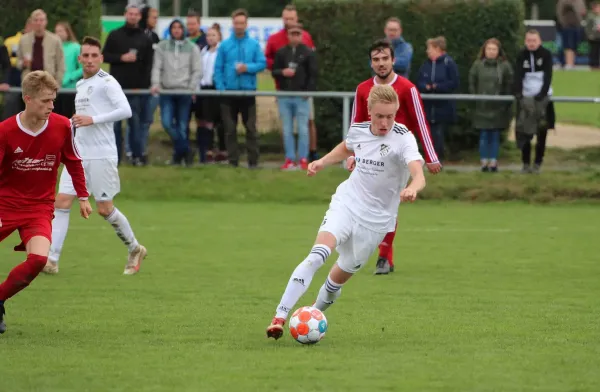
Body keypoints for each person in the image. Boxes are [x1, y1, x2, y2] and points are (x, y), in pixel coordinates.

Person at [266, 84, 426, 340]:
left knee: (335, 283)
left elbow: (418, 173)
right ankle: (280, 317)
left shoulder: (403, 137)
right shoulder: (359, 131)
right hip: (347, 204)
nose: (385, 122)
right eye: (379, 116)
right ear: (369, 112)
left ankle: (311, 314)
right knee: (316, 256)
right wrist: (322, 162)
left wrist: (413, 188)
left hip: (376, 222)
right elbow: (346, 147)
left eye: (390, 116)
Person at [0, 70, 92, 334]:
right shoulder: (5, 131)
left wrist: (83, 196)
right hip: (5, 205)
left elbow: (73, 161)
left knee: (39, 259)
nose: (51, 106)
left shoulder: (62, 126)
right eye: (45, 101)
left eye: (53, 100)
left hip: (39, 208)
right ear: (27, 99)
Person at [47, 37, 146, 276]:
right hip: (79, 155)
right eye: (85, 56)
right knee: (60, 202)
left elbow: (126, 110)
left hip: (102, 155)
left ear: (101, 58)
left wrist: (93, 119)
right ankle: (51, 259)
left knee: (104, 209)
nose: (89, 60)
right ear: (79, 59)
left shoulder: (107, 82)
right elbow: (86, 115)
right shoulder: (81, 84)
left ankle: (135, 248)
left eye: (94, 56)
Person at [349, 39, 441, 275]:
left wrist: (430, 156)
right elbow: (356, 126)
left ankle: (383, 257)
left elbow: (420, 123)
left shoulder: (407, 88)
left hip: (397, 158)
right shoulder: (362, 89)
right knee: (364, 204)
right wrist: (352, 154)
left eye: (385, 59)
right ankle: (365, 252)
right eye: (376, 59)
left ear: (393, 60)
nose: (381, 63)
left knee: (388, 206)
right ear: (371, 63)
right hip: (369, 157)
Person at [214, 8, 266, 168]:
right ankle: (233, 161)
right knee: (230, 130)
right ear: (233, 24)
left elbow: (262, 64)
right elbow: (218, 69)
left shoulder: (254, 44)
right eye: (236, 23)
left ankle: (253, 162)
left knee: (251, 129)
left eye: (242, 23)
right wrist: (221, 87)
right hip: (229, 94)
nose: (239, 26)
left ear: (246, 24)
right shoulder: (224, 45)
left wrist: (247, 68)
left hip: (248, 92)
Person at [151, 20, 202, 167]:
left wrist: (191, 87)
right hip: (166, 91)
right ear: (170, 30)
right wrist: (156, 84)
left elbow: (197, 70)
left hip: (184, 92)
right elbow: (157, 67)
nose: (177, 30)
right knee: (167, 123)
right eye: (174, 27)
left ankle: (179, 157)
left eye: (179, 27)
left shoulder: (192, 48)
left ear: (183, 30)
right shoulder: (162, 47)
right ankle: (186, 150)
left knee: (181, 126)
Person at [272, 22, 318, 171]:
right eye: (292, 33)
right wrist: (282, 72)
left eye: (298, 33)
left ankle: (303, 158)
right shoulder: (281, 52)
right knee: (287, 129)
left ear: (302, 35)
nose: (295, 36)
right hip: (284, 95)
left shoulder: (308, 52)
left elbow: (313, 74)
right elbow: (274, 72)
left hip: (301, 96)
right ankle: (289, 159)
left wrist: (308, 92)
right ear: (288, 35)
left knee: (303, 129)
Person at [468, 38, 513, 172]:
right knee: (483, 135)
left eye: (494, 49)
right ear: (484, 50)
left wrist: (504, 102)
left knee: (494, 136)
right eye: (489, 49)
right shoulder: (477, 65)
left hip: (498, 107)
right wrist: (476, 98)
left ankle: (493, 162)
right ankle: (484, 162)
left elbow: (509, 84)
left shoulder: (505, 66)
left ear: (498, 51)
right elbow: (472, 81)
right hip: (482, 107)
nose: (491, 52)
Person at [514, 30, 553, 174]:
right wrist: (518, 92)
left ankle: (538, 163)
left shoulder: (546, 54)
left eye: (534, 40)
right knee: (525, 131)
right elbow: (518, 74)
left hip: (543, 97)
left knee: (542, 131)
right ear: (525, 41)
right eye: (529, 40)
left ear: (539, 41)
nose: (531, 43)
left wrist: (542, 94)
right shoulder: (521, 55)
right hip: (526, 98)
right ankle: (525, 164)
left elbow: (548, 75)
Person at [416, 36, 460, 162]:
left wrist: (438, 87)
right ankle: (428, 157)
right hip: (428, 106)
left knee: (439, 133)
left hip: (443, 106)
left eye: (429, 48)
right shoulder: (425, 65)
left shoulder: (449, 63)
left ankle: (437, 158)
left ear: (438, 49)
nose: (427, 51)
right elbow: (419, 81)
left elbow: (454, 83)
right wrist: (425, 87)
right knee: (427, 133)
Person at [54, 21, 82, 118]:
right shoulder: (53, 47)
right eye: (56, 31)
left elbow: (82, 68)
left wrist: (69, 77)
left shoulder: (76, 47)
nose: (58, 34)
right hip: (54, 88)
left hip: (70, 89)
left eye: (61, 31)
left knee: (67, 117)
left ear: (67, 32)